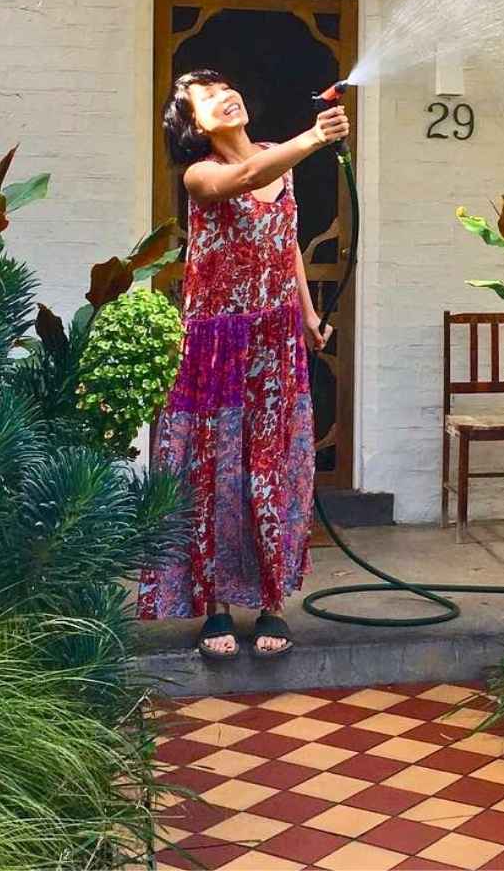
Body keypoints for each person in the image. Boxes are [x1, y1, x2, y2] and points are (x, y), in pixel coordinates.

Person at [137, 68, 350, 659]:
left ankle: (272, 603)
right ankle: (215, 607)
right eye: (205, 99)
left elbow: (289, 247)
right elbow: (248, 177)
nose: (223, 97)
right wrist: (313, 139)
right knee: (216, 474)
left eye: (224, 87)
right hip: (217, 345)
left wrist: (307, 315)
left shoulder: (270, 157)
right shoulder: (201, 173)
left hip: (275, 340)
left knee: (274, 466)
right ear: (194, 125)